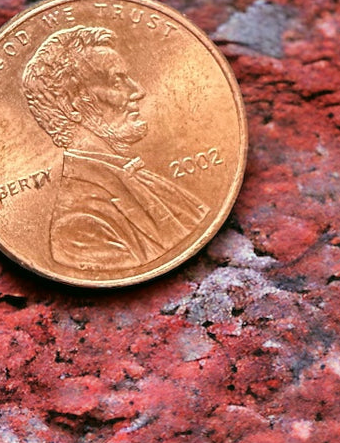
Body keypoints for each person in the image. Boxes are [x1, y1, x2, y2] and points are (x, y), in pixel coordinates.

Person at [21, 25, 208, 270]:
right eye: (117, 81)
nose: (137, 92)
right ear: (71, 105)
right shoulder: (78, 226)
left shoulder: (145, 179)